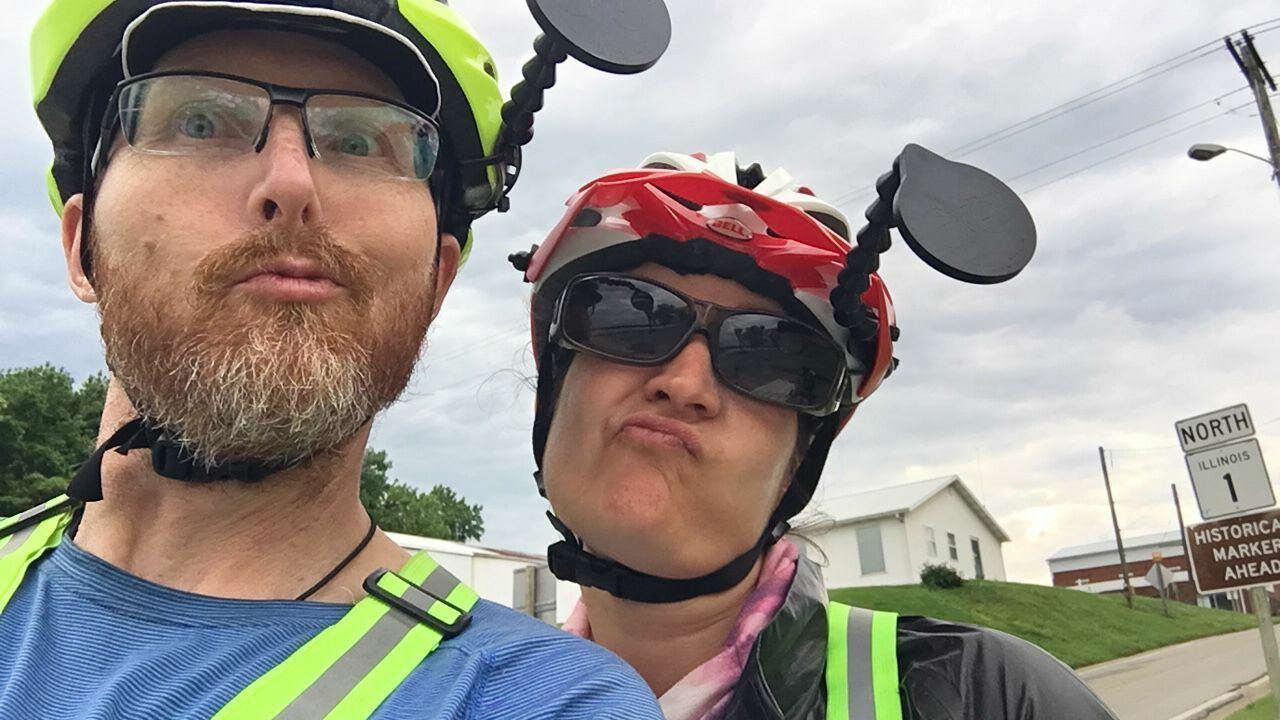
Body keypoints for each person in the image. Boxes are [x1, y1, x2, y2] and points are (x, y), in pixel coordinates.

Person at [0, 2, 665, 718]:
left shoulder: (541, 701)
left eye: (359, 141)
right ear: (82, 246)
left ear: (437, 282)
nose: (291, 185)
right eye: (200, 122)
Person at [510, 151, 1117, 719]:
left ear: (798, 462)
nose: (685, 382)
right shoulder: (463, 691)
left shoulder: (990, 697)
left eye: (769, 357)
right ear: (552, 392)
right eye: (626, 316)